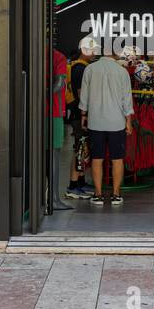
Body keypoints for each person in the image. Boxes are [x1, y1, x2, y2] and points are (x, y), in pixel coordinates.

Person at [79, 45, 135, 205]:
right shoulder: (122, 71)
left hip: (95, 121)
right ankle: (116, 194)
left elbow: (85, 95)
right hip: (117, 122)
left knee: (97, 158)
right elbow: (127, 99)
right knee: (117, 159)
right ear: (116, 54)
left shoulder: (90, 69)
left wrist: (84, 115)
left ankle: (97, 195)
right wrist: (128, 121)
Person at [65, 38, 97, 199]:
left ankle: (81, 181)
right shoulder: (81, 69)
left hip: (79, 113)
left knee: (83, 149)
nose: (94, 53)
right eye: (92, 50)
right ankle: (73, 185)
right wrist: (86, 113)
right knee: (80, 148)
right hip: (80, 115)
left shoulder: (78, 67)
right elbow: (81, 94)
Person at [50, 45, 73, 210]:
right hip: (53, 112)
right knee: (54, 155)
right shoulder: (58, 57)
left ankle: (48, 197)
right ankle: (54, 198)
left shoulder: (30, 53)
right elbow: (58, 84)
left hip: (33, 111)